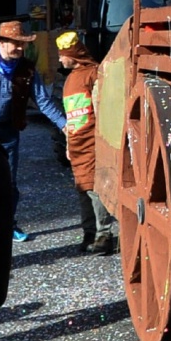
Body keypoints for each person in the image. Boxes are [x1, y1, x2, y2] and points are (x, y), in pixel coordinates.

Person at [0, 20, 67, 242]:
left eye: (23, 44)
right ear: (1, 42)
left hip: (9, 132)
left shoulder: (27, 69)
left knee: (8, 182)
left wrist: (64, 124)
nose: (20, 49)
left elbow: (43, 101)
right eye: (15, 44)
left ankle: (7, 225)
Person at [55, 31, 115, 255]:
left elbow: (103, 107)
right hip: (77, 145)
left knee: (94, 188)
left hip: (92, 142)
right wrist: (69, 144)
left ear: (73, 55)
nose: (60, 59)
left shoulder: (93, 74)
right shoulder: (70, 79)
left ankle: (104, 234)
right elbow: (71, 115)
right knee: (82, 188)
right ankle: (89, 231)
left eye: (63, 55)